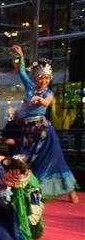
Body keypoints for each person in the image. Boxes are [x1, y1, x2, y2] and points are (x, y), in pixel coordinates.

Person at [10, 45, 79, 203]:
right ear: (36, 78)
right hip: (28, 132)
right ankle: (24, 189)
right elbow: (22, 72)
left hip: (43, 132)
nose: (44, 81)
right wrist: (21, 56)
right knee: (25, 160)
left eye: (47, 78)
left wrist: (39, 100)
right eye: (41, 78)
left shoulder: (48, 93)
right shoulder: (30, 88)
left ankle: (70, 189)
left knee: (54, 161)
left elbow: (47, 102)